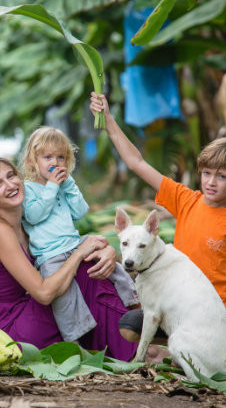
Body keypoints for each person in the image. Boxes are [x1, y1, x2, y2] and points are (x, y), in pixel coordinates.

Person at [90, 92, 226, 364]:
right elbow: (137, 163)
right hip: (178, 309)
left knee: (220, 355)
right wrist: (108, 121)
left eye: (222, 177)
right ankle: (183, 351)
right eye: (207, 173)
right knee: (129, 325)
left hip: (221, 315)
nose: (211, 182)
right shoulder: (186, 200)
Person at [0, 154, 137, 360]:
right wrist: (79, 254)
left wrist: (104, 250)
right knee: (82, 270)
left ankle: (130, 341)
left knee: (86, 269)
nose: (10, 185)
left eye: (11, 176)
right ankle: (130, 346)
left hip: (26, 314)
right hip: (9, 332)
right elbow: (43, 293)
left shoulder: (26, 224)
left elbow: (64, 247)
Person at [20, 126, 140, 342]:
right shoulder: (29, 189)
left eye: (60, 157)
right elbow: (33, 216)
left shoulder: (64, 186)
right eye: (47, 157)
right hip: (51, 255)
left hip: (74, 243)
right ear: (32, 161)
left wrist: (68, 185)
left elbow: (81, 211)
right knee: (65, 297)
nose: (55, 162)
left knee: (106, 251)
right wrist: (52, 188)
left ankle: (133, 299)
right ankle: (76, 339)